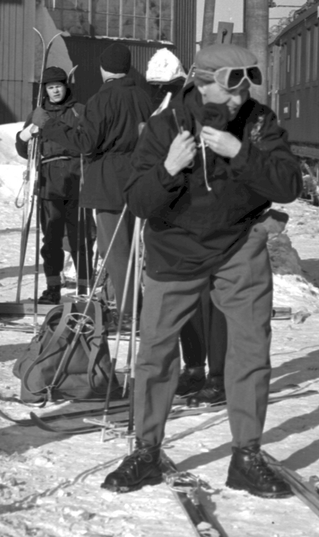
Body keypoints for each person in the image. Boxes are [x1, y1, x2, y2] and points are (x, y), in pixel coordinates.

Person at [105, 42, 303, 498]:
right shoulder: (165, 126)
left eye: (245, 88)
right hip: (174, 250)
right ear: (202, 83)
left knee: (251, 349)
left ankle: (247, 456)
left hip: (238, 245)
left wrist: (241, 152)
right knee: (156, 351)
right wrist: (169, 169)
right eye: (230, 89)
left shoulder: (259, 122)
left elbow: (289, 184)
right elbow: (137, 201)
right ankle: (146, 452)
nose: (239, 98)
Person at [38, 43, 153, 326]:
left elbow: (86, 143)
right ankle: (123, 302)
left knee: (114, 248)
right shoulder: (143, 96)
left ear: (103, 68)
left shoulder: (103, 98)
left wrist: (50, 126)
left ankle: (128, 311)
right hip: (139, 177)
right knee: (131, 246)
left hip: (109, 179)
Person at [145, 47, 221, 401]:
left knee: (209, 303)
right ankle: (194, 368)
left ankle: (216, 374)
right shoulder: (164, 113)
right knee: (185, 304)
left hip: (208, 223)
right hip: (173, 219)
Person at [16, 66, 91, 304]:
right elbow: (22, 149)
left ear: (66, 86)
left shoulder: (80, 111)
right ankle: (53, 287)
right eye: (50, 87)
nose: (55, 91)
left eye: (58, 86)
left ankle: (84, 288)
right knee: (51, 238)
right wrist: (29, 132)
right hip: (49, 183)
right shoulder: (38, 113)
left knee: (81, 237)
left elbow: (91, 142)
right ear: (45, 90)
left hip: (77, 180)